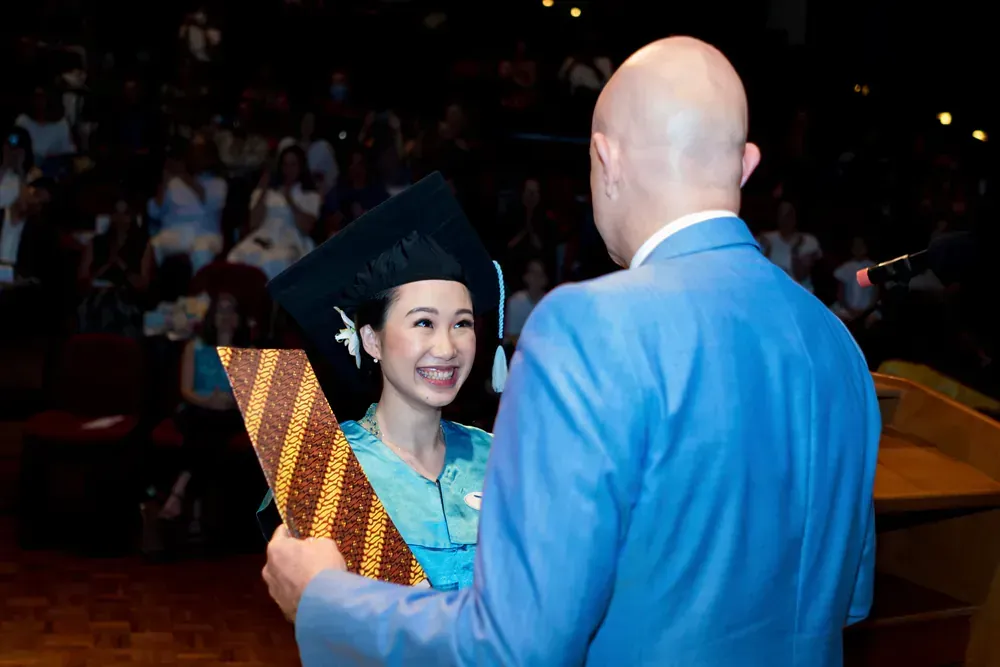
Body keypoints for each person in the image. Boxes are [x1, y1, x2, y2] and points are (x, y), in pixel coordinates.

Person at [262, 37, 880, 667]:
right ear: (745, 165)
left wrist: (322, 597)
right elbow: (847, 600)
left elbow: (514, 647)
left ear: (604, 159)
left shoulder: (590, 325)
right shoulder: (840, 346)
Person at [262, 171, 507, 591]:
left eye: (461, 323)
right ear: (371, 339)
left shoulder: (499, 458)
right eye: (424, 322)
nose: (447, 348)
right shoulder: (327, 466)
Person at [227, 145, 321, 280]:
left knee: (273, 261)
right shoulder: (266, 192)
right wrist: (264, 188)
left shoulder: (309, 194)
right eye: (285, 165)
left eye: (293, 164)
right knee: (236, 256)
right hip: (263, 236)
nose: (289, 169)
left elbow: (306, 227)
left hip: (291, 239)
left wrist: (289, 198)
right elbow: (254, 223)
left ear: (301, 167)